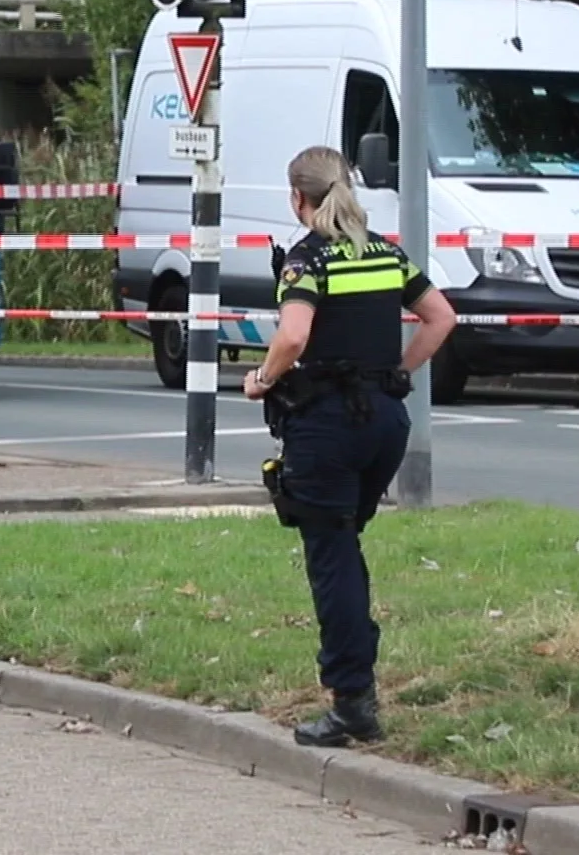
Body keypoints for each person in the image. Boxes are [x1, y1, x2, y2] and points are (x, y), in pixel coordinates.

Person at [241, 145, 456, 748]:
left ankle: (352, 702)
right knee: (345, 543)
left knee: (330, 554)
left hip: (327, 424)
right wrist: (397, 373)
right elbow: (441, 318)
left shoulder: (307, 259)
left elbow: (294, 333)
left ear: (298, 198)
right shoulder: (385, 252)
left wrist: (263, 379)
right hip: (385, 423)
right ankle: (356, 674)